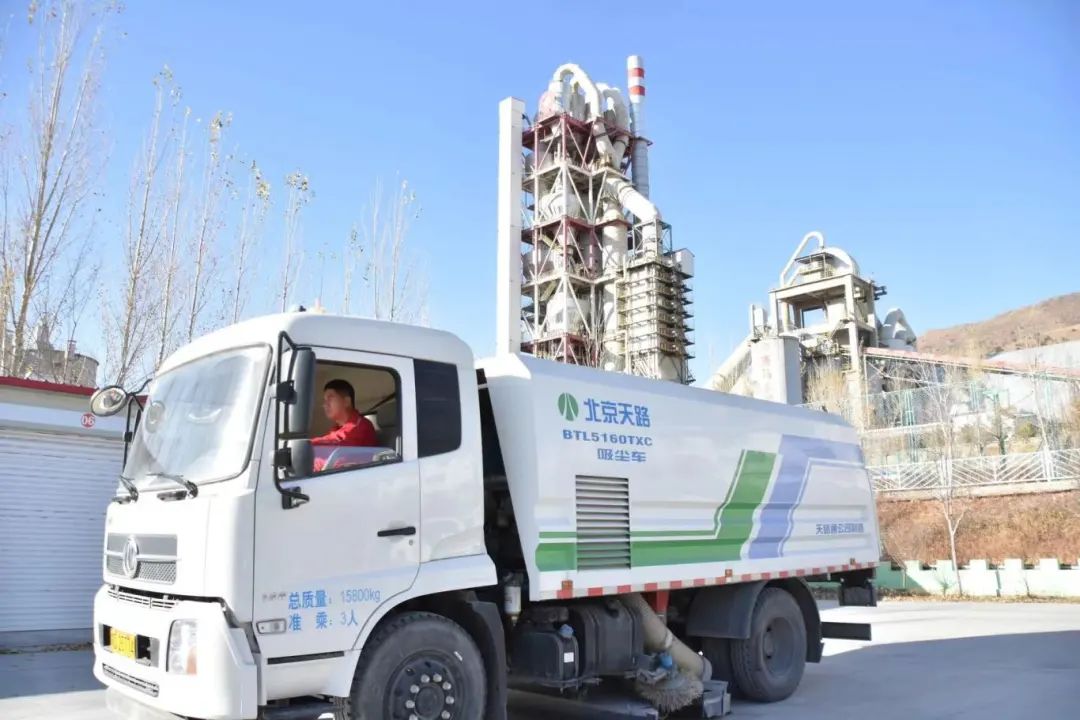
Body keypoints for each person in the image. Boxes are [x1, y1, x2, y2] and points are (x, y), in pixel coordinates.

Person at [311, 379, 376, 470]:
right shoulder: (337, 428)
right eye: (325, 400)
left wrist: (306, 445)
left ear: (346, 401)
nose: (325, 404)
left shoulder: (361, 425)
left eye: (330, 398)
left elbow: (340, 453)